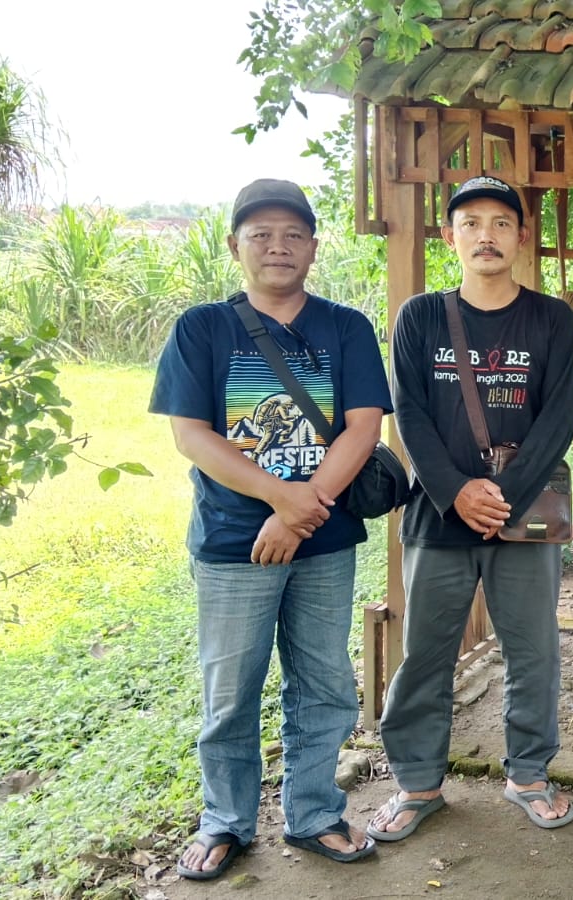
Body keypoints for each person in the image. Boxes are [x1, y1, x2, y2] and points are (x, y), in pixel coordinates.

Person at [150, 178, 391, 879]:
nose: (278, 247)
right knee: (230, 692)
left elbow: (364, 428)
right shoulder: (202, 329)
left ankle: (314, 814)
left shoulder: (345, 328)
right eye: (261, 235)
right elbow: (191, 435)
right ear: (236, 246)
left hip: (325, 541)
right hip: (232, 543)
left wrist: (301, 510)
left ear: (313, 247)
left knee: (325, 685)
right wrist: (282, 500)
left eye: (293, 235)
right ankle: (225, 820)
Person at [367, 175, 573, 841]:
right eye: (471, 223)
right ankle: (417, 783)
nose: (486, 235)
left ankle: (529, 775)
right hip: (438, 517)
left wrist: (503, 497)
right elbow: (410, 414)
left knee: (533, 650)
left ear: (521, 237)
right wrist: (457, 491)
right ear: (449, 236)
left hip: (527, 515)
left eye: (500, 223)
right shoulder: (420, 317)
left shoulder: (551, 319)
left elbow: (558, 417)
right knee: (425, 654)